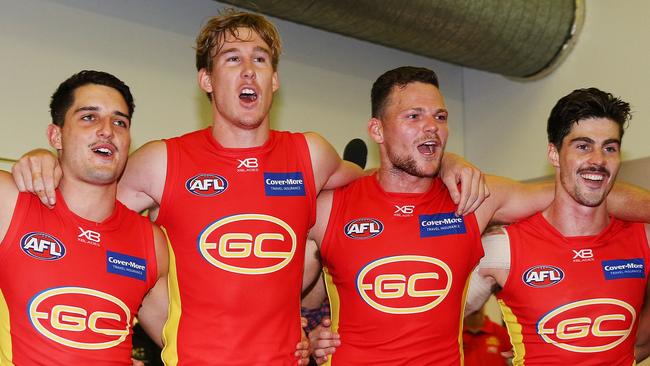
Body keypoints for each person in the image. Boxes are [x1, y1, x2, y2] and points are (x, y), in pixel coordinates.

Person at [11, 11, 487, 365]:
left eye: (260, 59)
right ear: (206, 80)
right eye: (231, 59)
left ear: (274, 79)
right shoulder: (162, 161)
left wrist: (446, 162)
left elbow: (386, 180)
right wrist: (41, 162)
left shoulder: (310, 155)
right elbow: (89, 215)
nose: (247, 71)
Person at [307, 68, 650, 365]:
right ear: (377, 130)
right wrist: (306, 333)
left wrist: (450, 162)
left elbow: (583, 191)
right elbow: (271, 291)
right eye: (414, 116)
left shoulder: (473, 199)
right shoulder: (330, 206)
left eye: (440, 117)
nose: (431, 128)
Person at [464, 87, 650, 365]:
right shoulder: (502, 249)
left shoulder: (644, 239)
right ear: (554, 154)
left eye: (609, 148)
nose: (598, 160)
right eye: (583, 146)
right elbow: (432, 323)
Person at [0, 70, 168, 365]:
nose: (108, 130)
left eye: (120, 122)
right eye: (89, 117)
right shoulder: (10, 200)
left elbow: (188, 342)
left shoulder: (150, 242)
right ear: (56, 135)